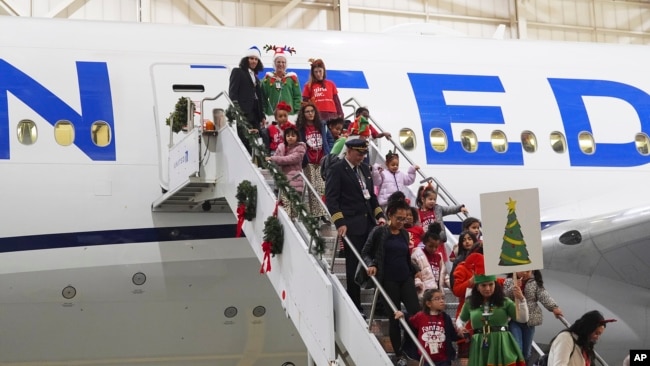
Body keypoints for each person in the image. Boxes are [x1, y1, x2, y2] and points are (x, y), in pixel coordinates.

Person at [325, 138, 386, 313]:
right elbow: (332, 199)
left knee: (376, 261)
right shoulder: (337, 169)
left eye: (364, 154)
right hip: (351, 225)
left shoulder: (365, 170)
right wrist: (340, 222)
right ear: (349, 151)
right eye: (359, 153)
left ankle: (380, 304)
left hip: (369, 224)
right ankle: (354, 303)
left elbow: (371, 198)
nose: (362, 157)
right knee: (354, 265)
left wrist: (380, 215)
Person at [361, 198, 419, 365]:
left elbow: (404, 256)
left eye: (405, 218)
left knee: (416, 314)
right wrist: (371, 264)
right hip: (388, 280)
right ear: (389, 215)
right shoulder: (379, 232)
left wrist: (415, 270)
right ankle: (399, 353)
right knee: (394, 318)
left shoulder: (404, 233)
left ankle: (410, 348)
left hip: (406, 278)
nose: (402, 222)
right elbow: (365, 252)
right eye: (399, 218)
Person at [456, 270, 528, 366]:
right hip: (480, 346)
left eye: (491, 284)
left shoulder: (505, 301)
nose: (488, 288)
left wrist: (522, 300)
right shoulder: (470, 303)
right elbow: (461, 320)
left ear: (495, 285)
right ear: (477, 287)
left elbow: (523, 319)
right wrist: (460, 327)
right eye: (483, 285)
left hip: (502, 343)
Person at [503, 270, 563, 361]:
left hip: (529, 321)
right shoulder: (508, 281)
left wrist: (554, 307)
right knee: (517, 347)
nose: (525, 273)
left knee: (526, 351)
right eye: (522, 271)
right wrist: (513, 288)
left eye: (528, 271)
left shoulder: (534, 283)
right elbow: (504, 296)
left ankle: (525, 362)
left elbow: (544, 296)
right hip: (514, 320)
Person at [296, 102, 331, 217]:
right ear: (303, 114)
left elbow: (330, 139)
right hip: (309, 161)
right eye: (307, 112)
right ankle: (316, 214)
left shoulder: (322, 125)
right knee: (313, 187)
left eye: (312, 111)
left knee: (322, 187)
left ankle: (323, 213)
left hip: (322, 160)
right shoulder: (301, 128)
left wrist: (329, 152)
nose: (310, 113)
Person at [228, 45, 265, 154]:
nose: (254, 61)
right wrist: (237, 112)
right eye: (251, 58)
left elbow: (259, 98)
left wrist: (262, 115)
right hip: (244, 113)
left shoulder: (256, 78)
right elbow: (233, 93)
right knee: (244, 141)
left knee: (256, 143)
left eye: (256, 59)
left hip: (255, 115)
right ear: (246, 59)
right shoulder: (238, 72)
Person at [408, 289, 459, 366]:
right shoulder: (420, 316)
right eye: (437, 299)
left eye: (442, 298)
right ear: (428, 303)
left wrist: (461, 333)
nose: (442, 301)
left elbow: (452, 335)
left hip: (443, 359)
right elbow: (409, 322)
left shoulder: (446, 317)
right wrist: (401, 314)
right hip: (426, 358)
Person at [547, 310, 615, 366]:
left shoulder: (584, 345)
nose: (597, 338)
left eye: (599, 334)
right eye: (596, 333)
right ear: (588, 329)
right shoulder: (565, 338)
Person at [265, 124, 305, 218]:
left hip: (295, 181)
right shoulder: (281, 147)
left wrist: (274, 158)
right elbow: (276, 160)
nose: (290, 138)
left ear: (297, 137)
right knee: (286, 205)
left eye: (293, 135)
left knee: (292, 206)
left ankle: (293, 225)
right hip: (283, 180)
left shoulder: (300, 148)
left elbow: (290, 159)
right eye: (288, 136)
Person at [261, 45, 301, 117]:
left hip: (289, 115)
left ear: (286, 64)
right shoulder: (267, 79)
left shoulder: (292, 79)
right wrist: (264, 112)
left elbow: (297, 97)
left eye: (283, 62)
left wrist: (297, 111)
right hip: (272, 115)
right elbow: (262, 97)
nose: (281, 64)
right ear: (274, 63)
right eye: (278, 62)